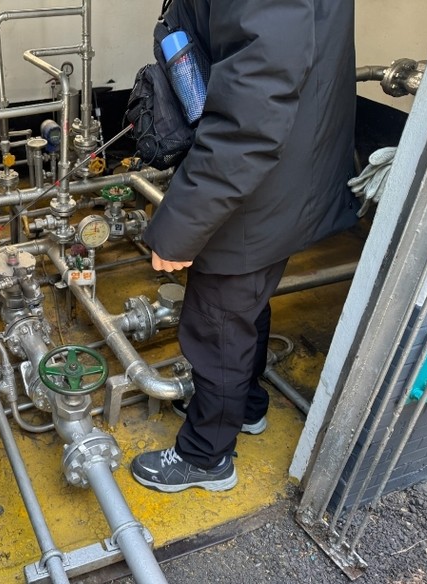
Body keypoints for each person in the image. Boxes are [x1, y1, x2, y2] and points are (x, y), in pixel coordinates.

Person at [131, 0, 359, 493]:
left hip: (254, 183)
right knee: (244, 305)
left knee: (215, 325)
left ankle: (205, 456)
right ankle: (245, 406)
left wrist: (181, 224)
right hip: (282, 175)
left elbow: (248, 120)